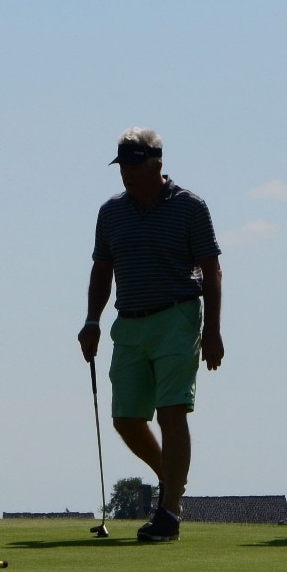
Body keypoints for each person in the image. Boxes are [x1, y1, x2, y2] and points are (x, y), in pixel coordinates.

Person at [79, 128, 224, 543]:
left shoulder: (190, 206)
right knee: (126, 419)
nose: (126, 172)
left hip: (177, 316)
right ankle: (171, 480)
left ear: (157, 163)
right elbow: (102, 269)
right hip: (129, 321)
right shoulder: (111, 212)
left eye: (134, 164)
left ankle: (170, 512)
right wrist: (92, 321)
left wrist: (213, 331)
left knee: (171, 412)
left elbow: (211, 270)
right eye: (122, 165)